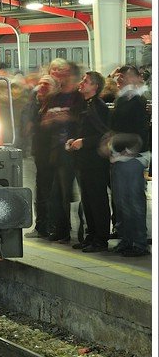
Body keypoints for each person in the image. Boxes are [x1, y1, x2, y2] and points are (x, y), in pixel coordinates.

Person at [108, 65, 151, 257]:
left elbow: (141, 130)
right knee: (121, 201)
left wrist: (129, 151)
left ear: (133, 78)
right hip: (119, 155)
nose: (119, 81)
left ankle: (139, 243)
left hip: (133, 157)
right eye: (118, 77)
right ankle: (126, 239)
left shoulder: (138, 100)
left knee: (133, 201)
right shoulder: (122, 99)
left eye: (123, 77)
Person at [65, 71, 110, 252]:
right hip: (83, 161)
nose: (81, 83)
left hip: (95, 162)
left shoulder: (99, 107)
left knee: (97, 200)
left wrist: (84, 142)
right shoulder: (84, 105)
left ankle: (101, 239)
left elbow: (104, 134)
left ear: (95, 87)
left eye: (86, 81)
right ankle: (91, 235)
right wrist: (72, 140)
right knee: (87, 201)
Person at [41, 59, 82, 243]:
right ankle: (60, 229)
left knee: (70, 193)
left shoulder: (79, 97)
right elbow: (44, 120)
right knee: (56, 194)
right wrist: (50, 120)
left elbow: (81, 119)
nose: (60, 74)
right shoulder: (55, 96)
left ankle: (77, 231)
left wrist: (67, 117)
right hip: (57, 151)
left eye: (64, 71)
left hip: (74, 150)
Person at [23, 74, 58, 239]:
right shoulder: (37, 105)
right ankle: (42, 226)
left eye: (46, 84)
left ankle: (49, 226)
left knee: (48, 192)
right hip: (40, 155)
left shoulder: (53, 107)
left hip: (51, 155)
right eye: (41, 84)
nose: (41, 87)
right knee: (41, 191)